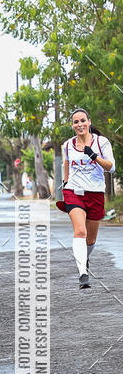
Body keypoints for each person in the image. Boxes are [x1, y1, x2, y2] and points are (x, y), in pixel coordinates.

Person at [56, 107, 115, 289]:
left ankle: (84, 259)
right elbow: (66, 162)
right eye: (76, 122)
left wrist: (93, 155)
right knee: (80, 231)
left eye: (83, 120)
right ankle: (83, 273)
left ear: (89, 122)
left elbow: (110, 168)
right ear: (72, 125)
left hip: (95, 193)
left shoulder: (101, 142)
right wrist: (66, 183)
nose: (79, 124)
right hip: (74, 191)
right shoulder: (67, 145)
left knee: (90, 240)